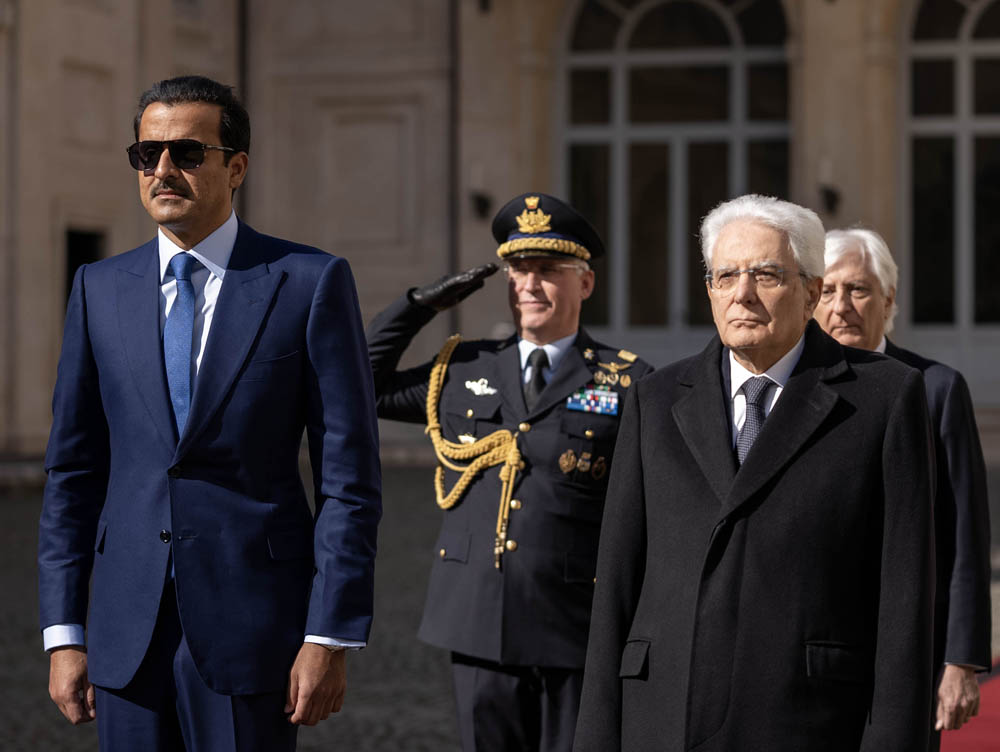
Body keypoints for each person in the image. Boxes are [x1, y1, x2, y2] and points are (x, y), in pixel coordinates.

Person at [38, 75, 381, 752]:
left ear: (237, 166)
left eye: (187, 153)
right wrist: (64, 633)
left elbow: (350, 480)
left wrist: (328, 634)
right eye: (147, 155)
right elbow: (72, 471)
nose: (163, 170)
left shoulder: (309, 283)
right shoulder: (97, 289)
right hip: (124, 630)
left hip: (254, 627)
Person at [575, 194, 936, 751]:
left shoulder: (883, 397)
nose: (741, 294)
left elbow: (905, 598)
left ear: (812, 289)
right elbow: (617, 584)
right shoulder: (655, 399)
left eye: (765, 274)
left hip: (809, 719)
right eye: (725, 277)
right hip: (665, 715)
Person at [366, 192, 652, 752]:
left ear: (585, 284)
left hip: (574, 626)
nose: (530, 285)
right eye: (519, 270)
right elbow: (363, 380)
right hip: (479, 623)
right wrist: (419, 306)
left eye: (548, 271)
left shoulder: (626, 382)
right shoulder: (465, 366)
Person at [814, 227, 992, 750]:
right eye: (827, 291)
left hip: (905, 654)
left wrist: (960, 660)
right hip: (809, 653)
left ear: (888, 300)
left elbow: (964, 536)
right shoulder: (791, 392)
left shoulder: (934, 389)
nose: (841, 306)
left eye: (858, 290)